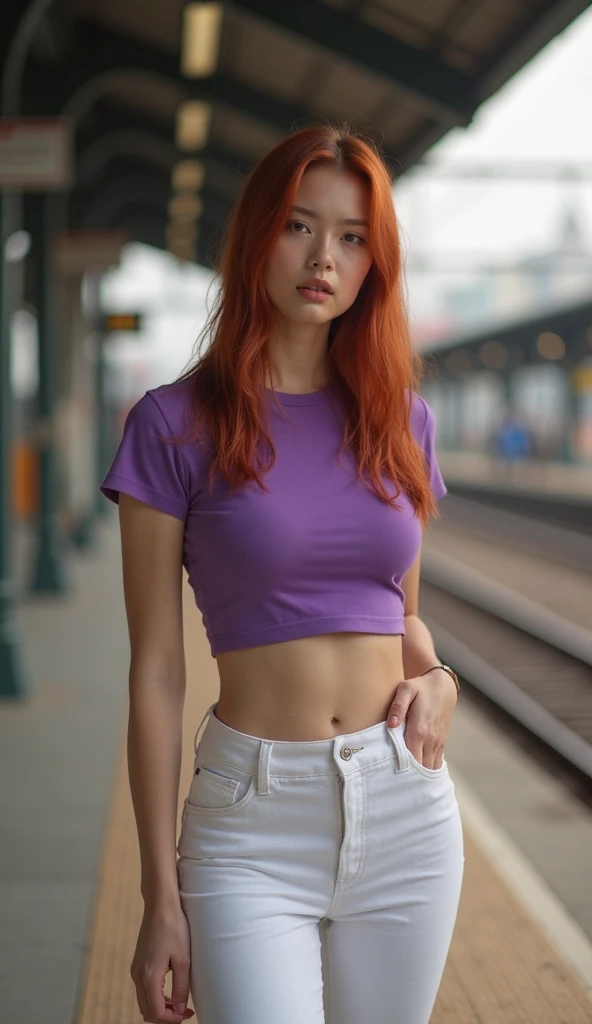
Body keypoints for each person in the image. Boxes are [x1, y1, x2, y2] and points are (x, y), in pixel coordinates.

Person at [99, 123, 464, 1024]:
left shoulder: (401, 422)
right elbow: (154, 670)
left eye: (351, 238)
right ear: (256, 233)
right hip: (251, 821)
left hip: (404, 808)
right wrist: (158, 896)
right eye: (300, 227)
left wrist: (442, 681)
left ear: (373, 264)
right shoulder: (172, 425)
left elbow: (403, 623)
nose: (324, 258)